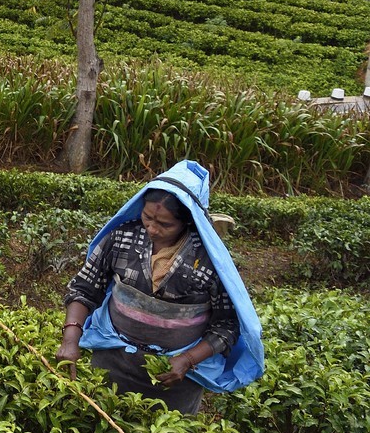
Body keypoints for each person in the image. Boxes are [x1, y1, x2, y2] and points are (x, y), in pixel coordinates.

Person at [56, 159, 263, 414]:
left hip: (176, 378)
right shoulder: (122, 238)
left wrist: (187, 360)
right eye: (147, 217)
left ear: (188, 222)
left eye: (164, 224)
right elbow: (86, 287)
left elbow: (226, 326)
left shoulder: (208, 260)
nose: (152, 229)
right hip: (113, 361)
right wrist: (70, 339)